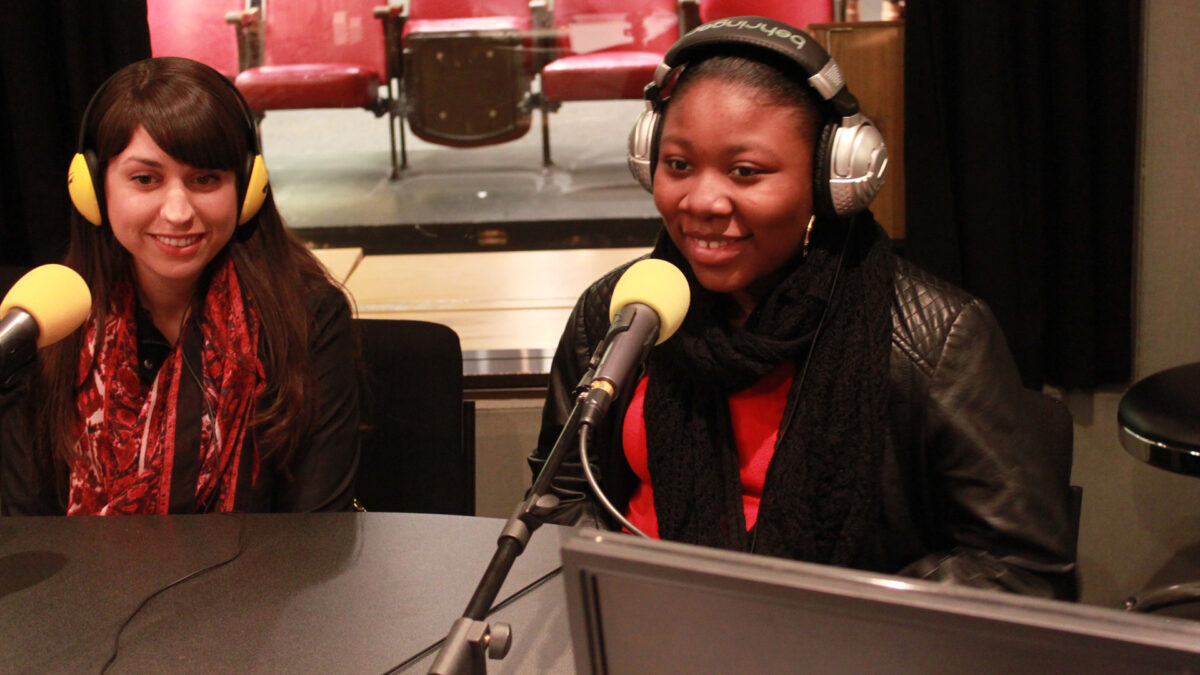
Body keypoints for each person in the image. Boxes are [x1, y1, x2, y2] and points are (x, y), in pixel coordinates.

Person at [529, 18, 1077, 599]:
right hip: (647, 619)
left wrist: (848, 623)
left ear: (831, 179)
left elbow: (1020, 566)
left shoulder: (936, 337)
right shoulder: (622, 312)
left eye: (746, 172)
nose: (702, 201)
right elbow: (560, 494)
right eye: (679, 165)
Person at [0, 57, 360, 515]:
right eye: (145, 179)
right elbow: (23, 525)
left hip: (261, 586)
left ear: (248, 188)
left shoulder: (309, 318)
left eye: (205, 179)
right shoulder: (45, 324)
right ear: (92, 188)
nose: (177, 212)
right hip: (84, 587)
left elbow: (317, 533)